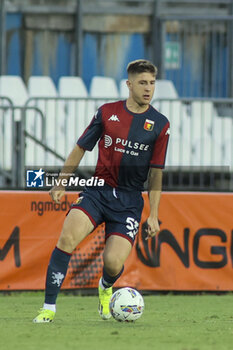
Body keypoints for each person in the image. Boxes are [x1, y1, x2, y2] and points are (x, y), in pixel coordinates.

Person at [33, 59, 170, 323]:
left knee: (112, 263)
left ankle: (105, 287)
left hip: (130, 202)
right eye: (142, 83)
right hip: (98, 191)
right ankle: (48, 308)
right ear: (129, 84)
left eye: (152, 83)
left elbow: (156, 173)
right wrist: (62, 181)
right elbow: (80, 148)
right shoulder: (107, 113)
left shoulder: (160, 124)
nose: (148, 89)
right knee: (67, 239)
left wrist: (154, 214)